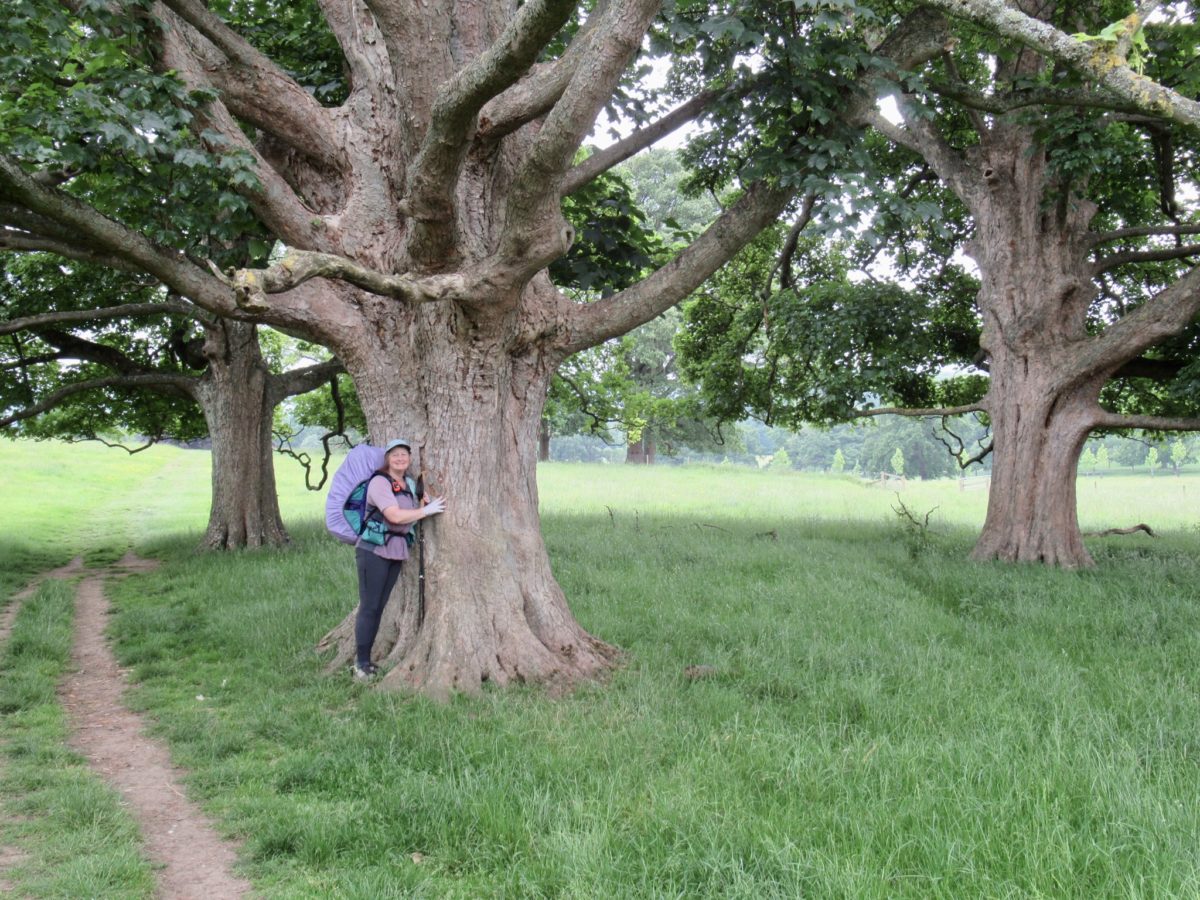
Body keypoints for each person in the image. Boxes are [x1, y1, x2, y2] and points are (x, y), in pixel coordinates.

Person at [353, 439, 445, 679]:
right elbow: (394, 515)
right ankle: (361, 663)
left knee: (380, 606)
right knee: (370, 606)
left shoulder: (409, 484)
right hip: (373, 550)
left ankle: (366, 661)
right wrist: (425, 511)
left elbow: (421, 501)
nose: (400, 458)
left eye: (404, 454)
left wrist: (427, 503)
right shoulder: (379, 482)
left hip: (396, 549)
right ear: (388, 458)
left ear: (410, 459)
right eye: (395, 454)